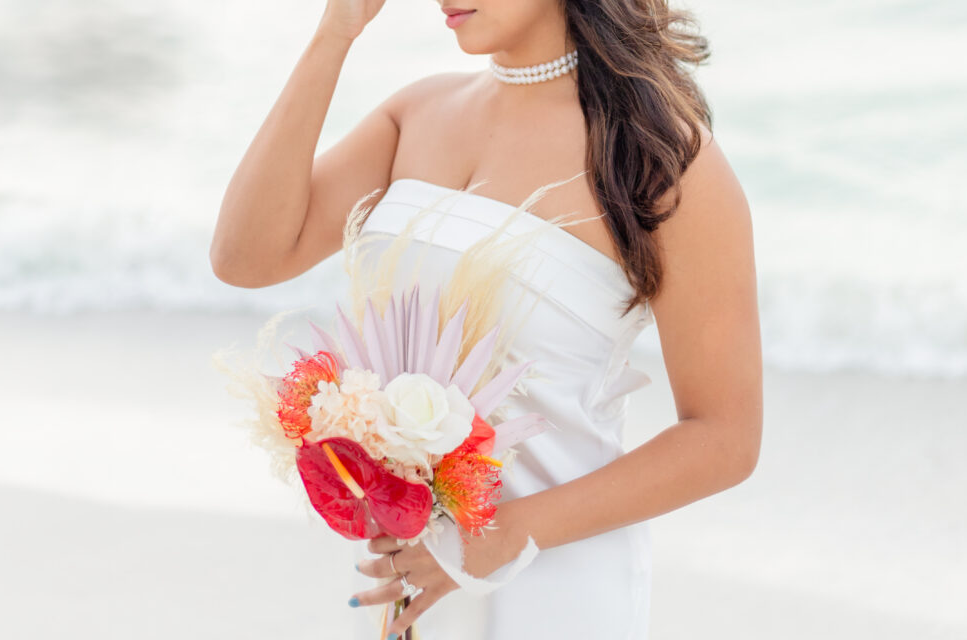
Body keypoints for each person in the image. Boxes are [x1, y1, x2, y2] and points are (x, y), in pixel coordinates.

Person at [210, 0, 762, 638]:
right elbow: (245, 256)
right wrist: (335, 34)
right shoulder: (416, 114)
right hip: (397, 579)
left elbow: (725, 438)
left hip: (551, 583)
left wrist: (500, 538)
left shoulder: (659, 158)